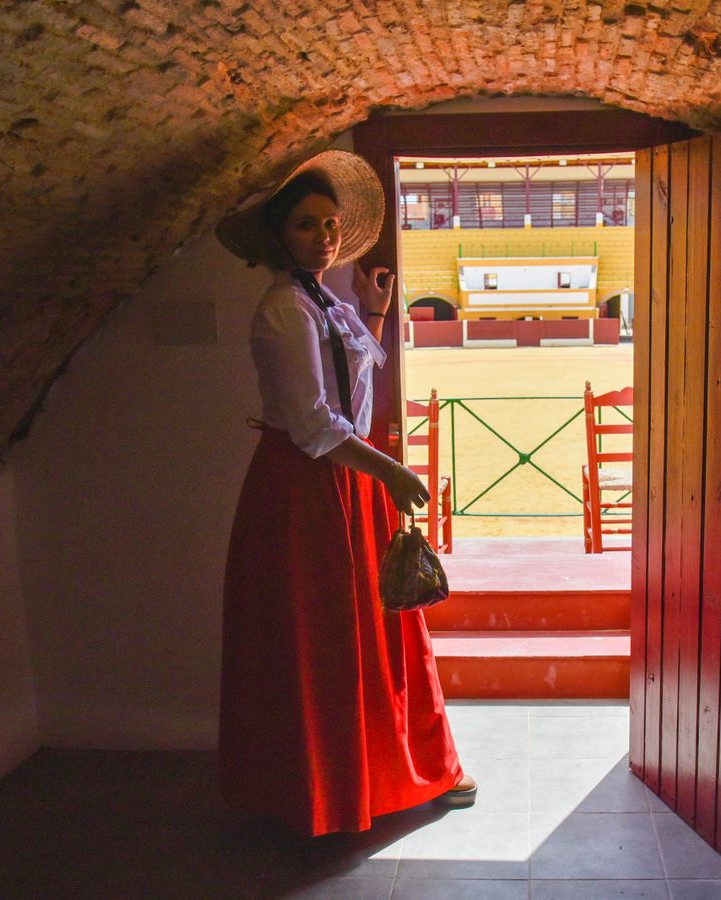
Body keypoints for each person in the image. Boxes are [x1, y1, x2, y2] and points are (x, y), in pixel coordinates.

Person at [214, 149, 476, 836]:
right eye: (307, 226)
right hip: (306, 488)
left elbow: (353, 391)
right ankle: (329, 786)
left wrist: (377, 315)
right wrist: (388, 470)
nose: (324, 237)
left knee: (379, 625)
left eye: (330, 225)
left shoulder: (322, 298)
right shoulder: (283, 310)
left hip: (343, 478)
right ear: (280, 236)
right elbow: (313, 424)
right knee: (324, 636)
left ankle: (396, 770)